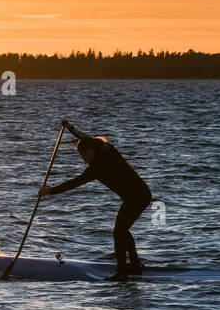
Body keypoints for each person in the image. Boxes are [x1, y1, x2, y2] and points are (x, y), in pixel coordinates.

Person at [38, 119, 153, 280]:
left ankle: (121, 274)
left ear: (90, 151)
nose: (83, 159)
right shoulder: (108, 150)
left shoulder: (97, 167)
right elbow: (88, 139)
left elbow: (74, 183)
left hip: (137, 197)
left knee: (119, 232)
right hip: (139, 195)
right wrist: (71, 128)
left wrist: (50, 191)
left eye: (83, 155)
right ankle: (134, 264)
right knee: (122, 229)